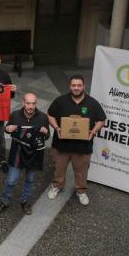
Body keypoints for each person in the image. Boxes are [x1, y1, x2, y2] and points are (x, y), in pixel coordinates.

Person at [46, 75, 106, 205]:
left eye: (79, 85)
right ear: (70, 86)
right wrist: (56, 127)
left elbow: (102, 119)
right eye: (74, 85)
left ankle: (81, 191)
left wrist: (93, 131)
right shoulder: (60, 101)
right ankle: (57, 186)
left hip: (83, 146)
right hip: (61, 144)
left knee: (81, 170)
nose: (76, 88)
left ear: (84, 86)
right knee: (59, 168)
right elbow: (50, 115)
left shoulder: (92, 103)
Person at [0, 93, 49, 216]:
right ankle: (4, 201)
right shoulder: (15, 115)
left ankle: (25, 201)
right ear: (23, 102)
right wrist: (7, 129)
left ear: (36, 104)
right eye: (28, 103)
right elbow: (6, 129)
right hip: (17, 153)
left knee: (30, 180)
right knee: (11, 180)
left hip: (35, 154)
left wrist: (45, 133)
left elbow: (47, 136)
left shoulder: (43, 117)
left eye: (33, 103)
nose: (30, 106)